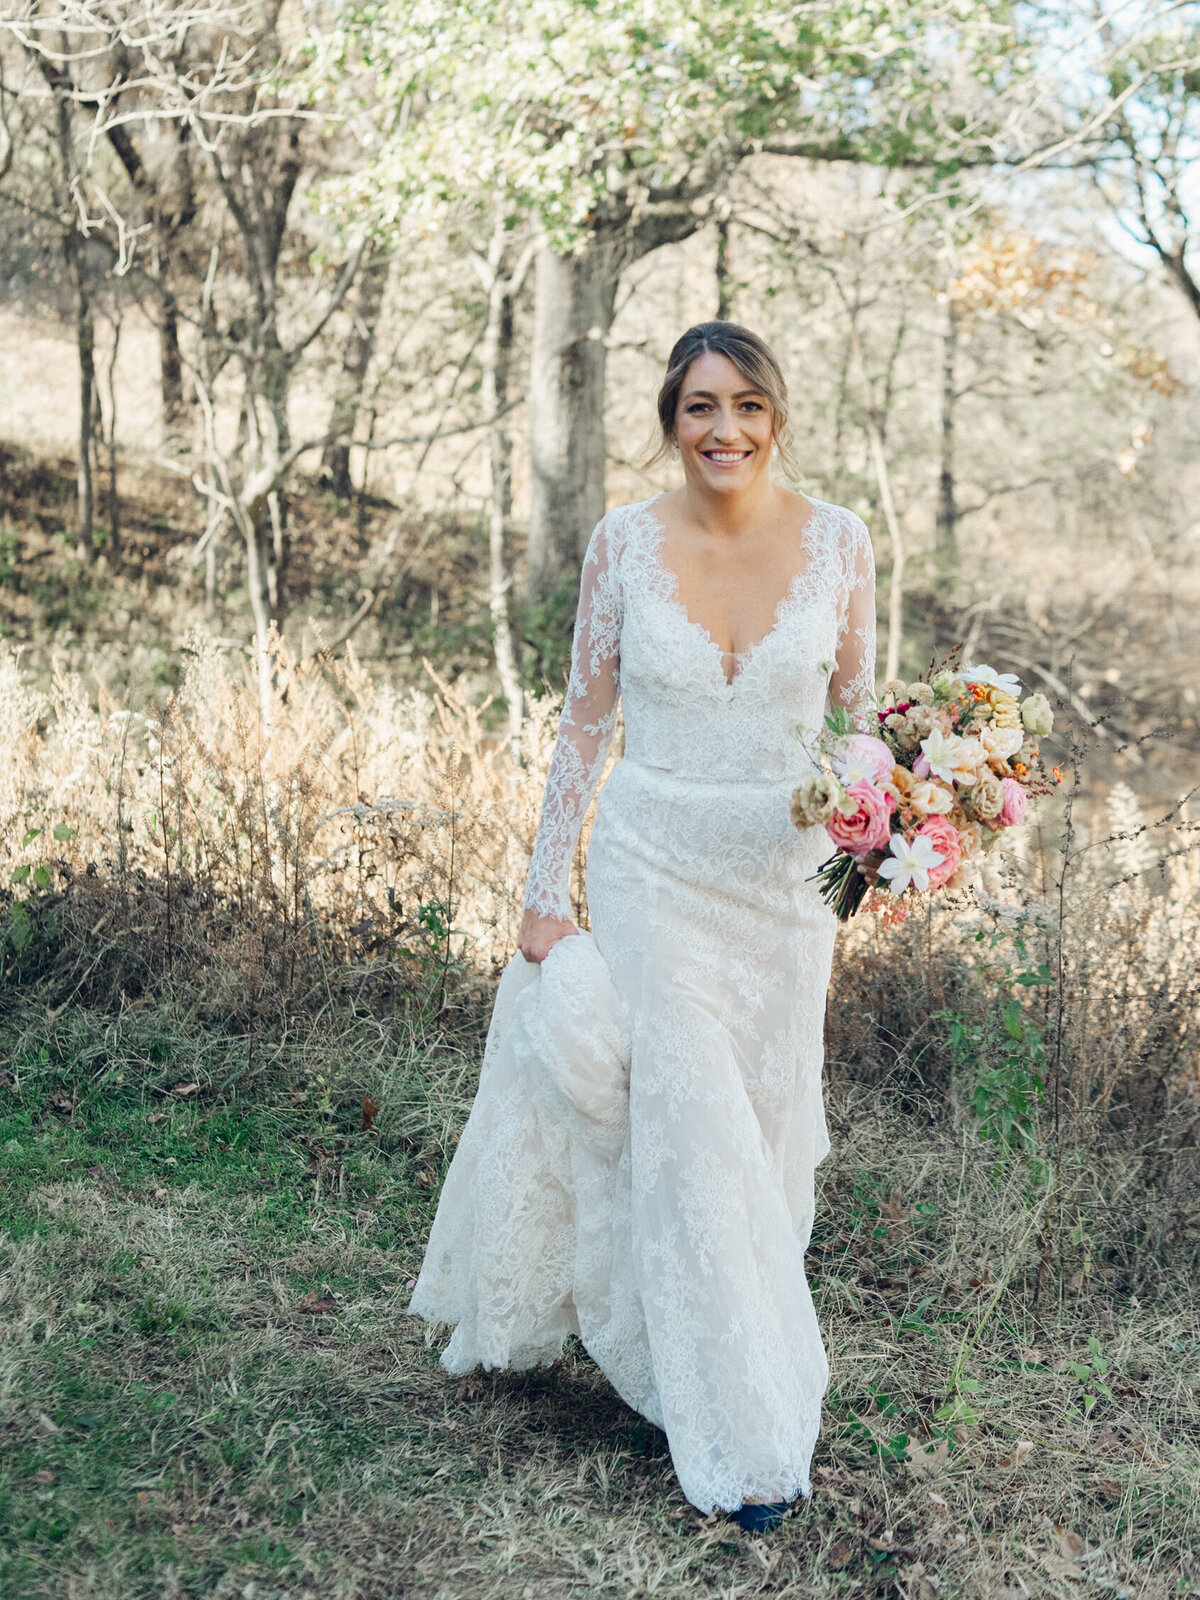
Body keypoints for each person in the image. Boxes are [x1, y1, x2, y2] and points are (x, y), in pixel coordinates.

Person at [409, 322, 877, 1532]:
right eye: (698, 408)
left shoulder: (841, 544)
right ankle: (737, 1432)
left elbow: (857, 725)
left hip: (782, 887)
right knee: (688, 1112)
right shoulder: (623, 541)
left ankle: (697, 1336)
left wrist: (899, 824)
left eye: (746, 406)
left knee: (763, 1129)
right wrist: (542, 892)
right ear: (670, 420)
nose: (724, 430)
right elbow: (583, 724)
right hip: (651, 863)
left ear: (777, 415)